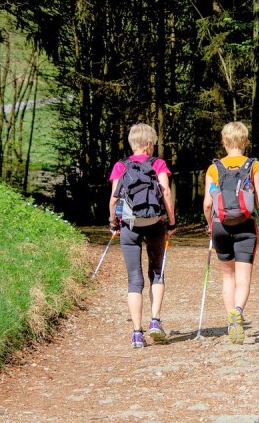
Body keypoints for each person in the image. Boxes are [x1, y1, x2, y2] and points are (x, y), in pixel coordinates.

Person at [108, 123, 177, 348]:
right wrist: (171, 221)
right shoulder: (158, 164)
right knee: (157, 272)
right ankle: (155, 321)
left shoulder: (121, 166)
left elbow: (114, 199)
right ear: (148, 144)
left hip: (129, 226)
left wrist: (113, 222)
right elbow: (165, 193)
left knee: (134, 279)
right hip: (154, 223)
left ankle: (137, 333)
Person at [203, 121, 259, 345]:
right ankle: (238, 311)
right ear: (245, 141)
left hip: (220, 226)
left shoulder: (214, 169)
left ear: (224, 141)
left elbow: (207, 204)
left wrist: (209, 226)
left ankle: (231, 322)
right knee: (243, 278)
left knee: (227, 276)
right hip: (245, 226)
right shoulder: (254, 166)